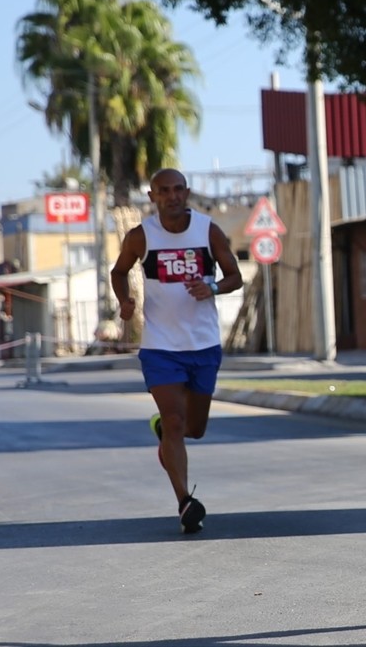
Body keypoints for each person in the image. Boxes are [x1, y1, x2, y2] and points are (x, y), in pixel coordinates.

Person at [110, 168, 242, 535]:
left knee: (194, 429)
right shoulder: (141, 236)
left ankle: (166, 437)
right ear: (152, 197)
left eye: (178, 189)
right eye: (164, 191)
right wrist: (125, 301)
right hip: (160, 347)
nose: (172, 196)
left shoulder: (207, 230)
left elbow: (235, 276)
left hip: (203, 344)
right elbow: (118, 272)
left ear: (187, 192)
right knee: (174, 422)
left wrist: (212, 288)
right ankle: (185, 502)